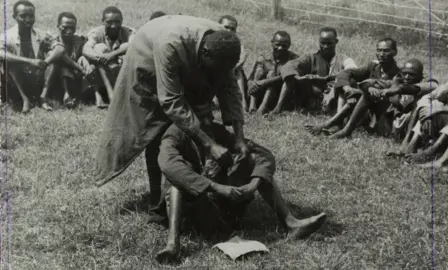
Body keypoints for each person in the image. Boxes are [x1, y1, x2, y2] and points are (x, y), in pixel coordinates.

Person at [93, 15, 248, 218]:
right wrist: (210, 145)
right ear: (205, 53)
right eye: (213, 71)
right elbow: (171, 102)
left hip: (188, 56)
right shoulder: (171, 44)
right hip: (147, 59)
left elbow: (230, 89)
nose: (215, 76)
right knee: (155, 128)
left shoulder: (223, 47)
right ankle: (158, 203)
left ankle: (194, 191)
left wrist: (239, 136)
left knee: (198, 123)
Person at [155, 123, 327, 263]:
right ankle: (173, 244)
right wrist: (214, 186)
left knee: (257, 166)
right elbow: (170, 166)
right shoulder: (174, 133)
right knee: (176, 185)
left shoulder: (215, 129)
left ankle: (291, 223)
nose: (203, 110)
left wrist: (253, 184)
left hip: (224, 207)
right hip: (194, 211)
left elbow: (262, 154)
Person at [305, 38, 401, 138]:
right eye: (379, 50)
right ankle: (338, 124)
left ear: (395, 52)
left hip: (383, 115)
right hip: (366, 109)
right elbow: (345, 73)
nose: (381, 54)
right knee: (349, 82)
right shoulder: (374, 66)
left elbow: (383, 90)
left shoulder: (399, 73)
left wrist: (361, 90)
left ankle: (333, 125)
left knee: (364, 93)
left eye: (386, 51)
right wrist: (347, 88)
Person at [394, 51, 448, 161]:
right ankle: (412, 145)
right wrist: (430, 109)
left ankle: (432, 150)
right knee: (431, 104)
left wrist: (441, 109)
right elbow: (430, 96)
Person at [274, 27, 357, 116]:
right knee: (290, 77)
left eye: (329, 43)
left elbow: (354, 71)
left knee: (348, 80)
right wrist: (298, 78)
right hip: (314, 96)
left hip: (335, 97)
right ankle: (277, 110)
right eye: (322, 43)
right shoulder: (311, 57)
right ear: (319, 41)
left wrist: (325, 79)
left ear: (336, 42)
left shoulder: (344, 59)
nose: (325, 46)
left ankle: (339, 114)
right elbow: (289, 65)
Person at [0, 0, 53, 113]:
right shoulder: (7, 36)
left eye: (31, 16)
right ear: (14, 17)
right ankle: (25, 99)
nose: (28, 20)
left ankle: (42, 97)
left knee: (53, 56)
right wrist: (30, 61)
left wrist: (47, 61)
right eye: (23, 16)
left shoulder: (41, 34)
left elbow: (60, 48)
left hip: (36, 78)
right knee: (9, 61)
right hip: (16, 81)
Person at [82, 6, 136, 108]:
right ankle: (110, 91)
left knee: (126, 47)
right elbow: (86, 49)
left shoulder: (128, 32)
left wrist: (111, 55)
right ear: (103, 21)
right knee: (99, 47)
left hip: (121, 70)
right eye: (109, 22)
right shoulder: (97, 32)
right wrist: (102, 58)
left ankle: (121, 94)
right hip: (102, 72)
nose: (114, 26)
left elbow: (133, 45)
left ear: (122, 21)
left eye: (117, 21)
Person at [40, 12, 92, 110]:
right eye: (65, 27)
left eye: (72, 28)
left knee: (82, 60)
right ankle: (45, 97)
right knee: (56, 58)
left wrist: (85, 63)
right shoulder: (50, 38)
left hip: (72, 78)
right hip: (52, 78)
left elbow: (85, 53)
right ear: (58, 26)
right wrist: (79, 67)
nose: (69, 31)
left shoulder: (80, 40)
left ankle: (74, 96)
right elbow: (60, 53)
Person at [247, 31, 299, 115]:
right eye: (277, 44)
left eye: (284, 45)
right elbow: (251, 78)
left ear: (289, 45)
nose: (280, 48)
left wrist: (265, 82)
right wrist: (251, 85)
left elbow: (288, 78)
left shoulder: (293, 59)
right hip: (262, 92)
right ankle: (252, 106)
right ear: (272, 43)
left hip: (282, 95)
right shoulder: (264, 58)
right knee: (260, 71)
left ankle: (262, 109)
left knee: (272, 75)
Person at [218, 15, 249, 112]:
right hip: (214, 72)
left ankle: (243, 102)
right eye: (226, 27)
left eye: (233, 29)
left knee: (238, 72)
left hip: (231, 73)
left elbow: (242, 58)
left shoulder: (236, 43)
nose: (229, 31)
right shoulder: (211, 40)